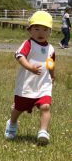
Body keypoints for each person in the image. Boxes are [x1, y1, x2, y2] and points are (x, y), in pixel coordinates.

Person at [4, 11, 55, 145]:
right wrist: (29, 67)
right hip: (27, 85)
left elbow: (50, 63)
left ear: (50, 32)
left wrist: (52, 75)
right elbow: (19, 56)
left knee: (45, 107)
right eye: (36, 29)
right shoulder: (28, 44)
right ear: (30, 30)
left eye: (45, 29)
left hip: (43, 84)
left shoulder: (51, 49)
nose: (41, 32)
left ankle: (43, 131)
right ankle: (12, 123)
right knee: (19, 108)